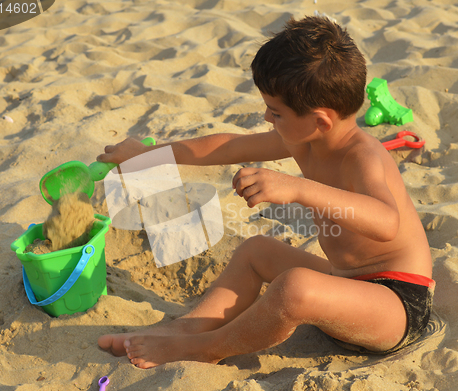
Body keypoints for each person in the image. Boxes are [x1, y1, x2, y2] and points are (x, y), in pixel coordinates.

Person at [96, 15, 434, 369]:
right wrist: (149, 154)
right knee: (256, 251)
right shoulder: (303, 138)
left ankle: (207, 347)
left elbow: (386, 222)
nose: (267, 118)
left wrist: (299, 188)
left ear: (320, 120)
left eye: (276, 112)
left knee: (294, 287)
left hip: (396, 303)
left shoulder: (362, 156)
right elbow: (226, 147)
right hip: (345, 282)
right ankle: (186, 329)